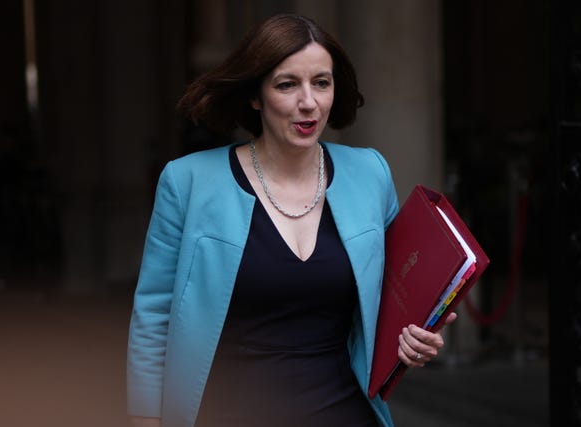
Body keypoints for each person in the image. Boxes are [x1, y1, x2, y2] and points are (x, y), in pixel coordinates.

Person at [127, 13, 457, 427]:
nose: (309, 102)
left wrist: (415, 337)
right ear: (255, 95)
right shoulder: (187, 181)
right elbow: (153, 318)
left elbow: (395, 296)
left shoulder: (370, 173)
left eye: (322, 82)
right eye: (287, 84)